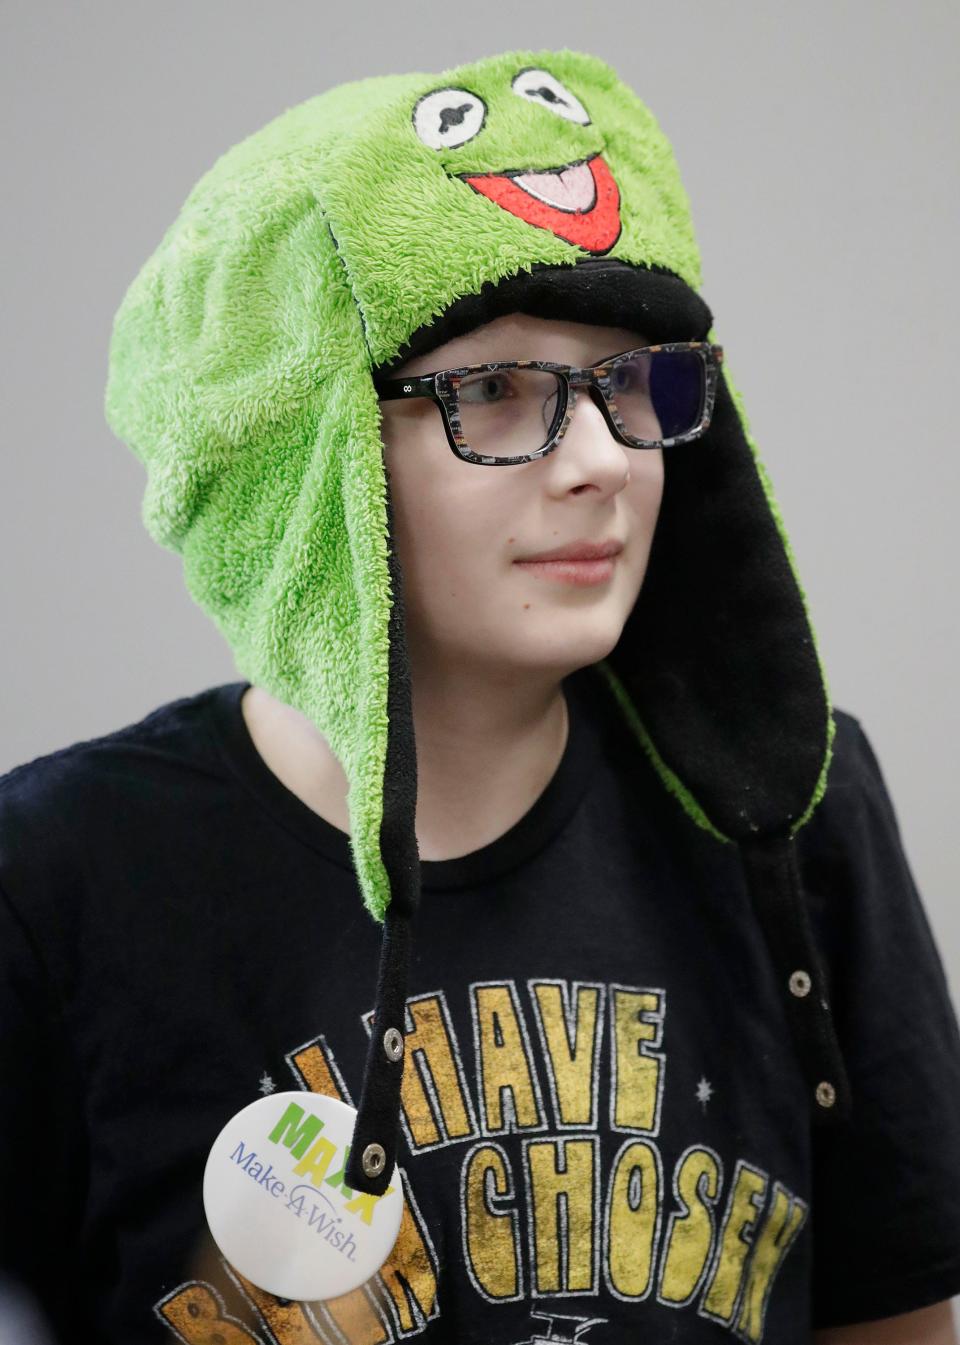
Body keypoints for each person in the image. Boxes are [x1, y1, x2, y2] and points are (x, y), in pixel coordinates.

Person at [2, 45, 960, 1345]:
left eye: (631, 380)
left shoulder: (790, 816)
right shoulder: (56, 879)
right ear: (306, 447)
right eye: (497, 391)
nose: (599, 462)